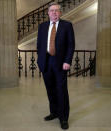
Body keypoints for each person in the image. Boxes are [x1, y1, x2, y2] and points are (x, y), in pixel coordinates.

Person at [37, 2, 75, 130]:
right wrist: (39, 60)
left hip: (60, 63)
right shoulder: (42, 26)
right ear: (48, 13)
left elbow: (70, 45)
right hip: (46, 63)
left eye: (57, 10)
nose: (54, 12)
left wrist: (67, 61)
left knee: (61, 90)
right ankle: (54, 112)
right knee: (50, 90)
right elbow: (39, 45)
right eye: (52, 10)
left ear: (60, 12)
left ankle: (63, 118)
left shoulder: (67, 26)